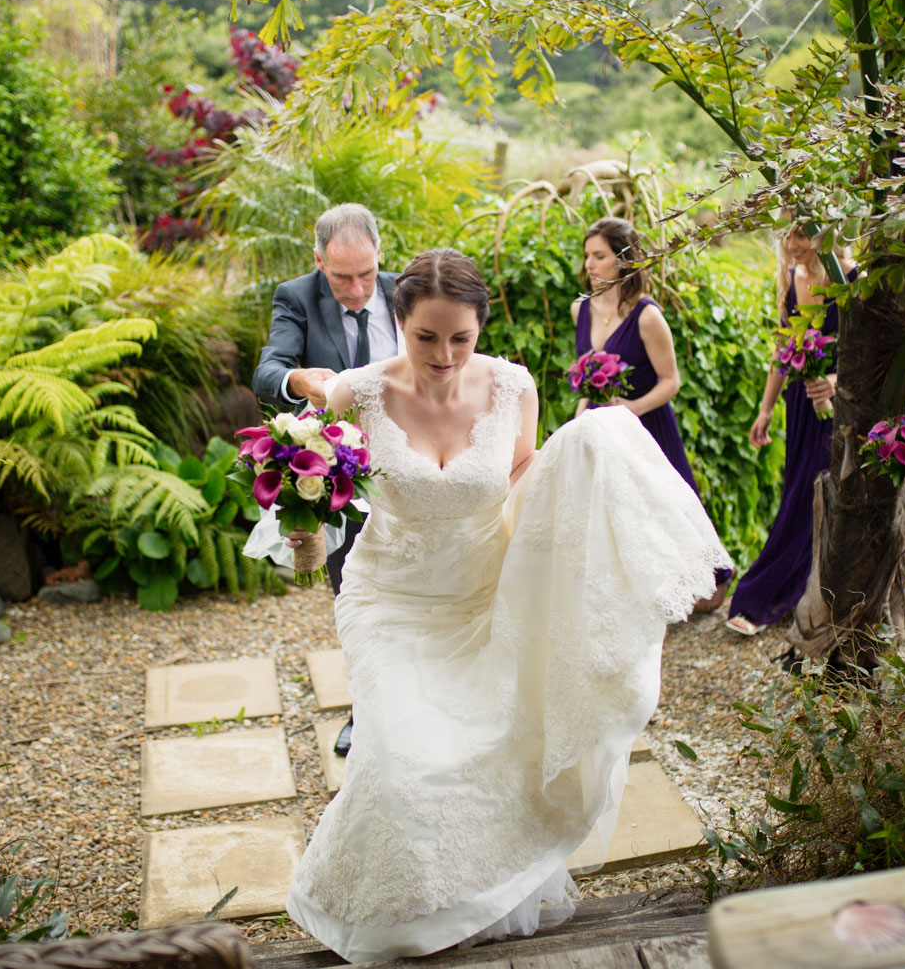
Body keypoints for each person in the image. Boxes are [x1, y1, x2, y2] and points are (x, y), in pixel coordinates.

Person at [283, 249, 730, 963]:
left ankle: (476, 902)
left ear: (480, 328)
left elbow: (521, 475)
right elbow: (304, 474)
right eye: (427, 337)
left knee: (495, 746)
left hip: (484, 589)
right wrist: (302, 524)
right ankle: (386, 914)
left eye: (460, 337)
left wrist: (567, 538)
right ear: (398, 322)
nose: (445, 354)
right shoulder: (355, 394)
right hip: (391, 598)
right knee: (402, 761)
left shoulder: (512, 386)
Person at [252, 203, 397, 756]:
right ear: (317, 260)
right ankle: (365, 710)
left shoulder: (405, 291)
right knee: (355, 594)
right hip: (344, 477)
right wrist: (297, 378)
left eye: (366, 274)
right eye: (341, 277)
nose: (358, 290)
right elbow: (268, 372)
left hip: (413, 466)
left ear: (379, 256)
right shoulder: (296, 297)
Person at [571, 217, 732, 610]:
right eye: (587, 256)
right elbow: (588, 377)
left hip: (648, 427)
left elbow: (670, 381)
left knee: (666, 511)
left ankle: (701, 587)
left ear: (624, 260)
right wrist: (578, 421)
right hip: (600, 430)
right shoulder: (581, 310)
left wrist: (632, 409)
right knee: (609, 514)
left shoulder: (647, 315)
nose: (589, 265)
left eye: (599, 256)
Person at [725, 225, 857, 638]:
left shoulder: (852, 279)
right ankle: (800, 593)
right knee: (800, 492)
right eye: (788, 237)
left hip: (845, 404)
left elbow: (873, 353)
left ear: (827, 232)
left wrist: (835, 381)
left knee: (812, 493)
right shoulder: (791, 278)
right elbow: (783, 352)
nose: (794, 245)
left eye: (803, 235)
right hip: (801, 406)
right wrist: (766, 409)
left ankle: (762, 596)